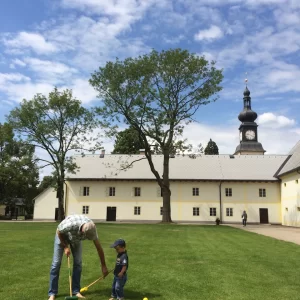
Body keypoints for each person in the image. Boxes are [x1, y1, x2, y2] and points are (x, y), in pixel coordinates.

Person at [48, 214, 109, 300]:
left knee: (78, 263)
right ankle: (52, 293)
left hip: (76, 239)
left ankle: (76, 291)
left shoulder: (91, 228)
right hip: (62, 235)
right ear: (83, 232)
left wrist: (104, 266)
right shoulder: (70, 224)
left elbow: (99, 248)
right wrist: (65, 246)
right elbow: (59, 231)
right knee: (56, 264)